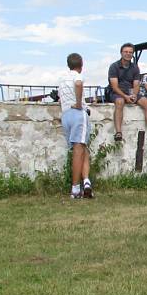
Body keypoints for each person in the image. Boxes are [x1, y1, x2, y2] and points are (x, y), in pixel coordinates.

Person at [58, 53, 93, 199]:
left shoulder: (61, 79)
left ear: (68, 64)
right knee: (79, 151)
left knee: (82, 149)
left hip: (66, 115)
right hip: (78, 114)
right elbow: (78, 83)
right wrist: (79, 103)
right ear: (81, 64)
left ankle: (86, 181)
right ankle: (75, 188)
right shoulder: (77, 76)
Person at [108, 43, 147, 142]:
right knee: (120, 102)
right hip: (118, 92)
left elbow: (136, 84)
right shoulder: (114, 66)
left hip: (131, 91)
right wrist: (125, 96)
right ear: (121, 53)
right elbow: (114, 86)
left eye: (130, 52)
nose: (128, 54)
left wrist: (134, 94)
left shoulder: (135, 67)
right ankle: (118, 132)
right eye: (126, 52)